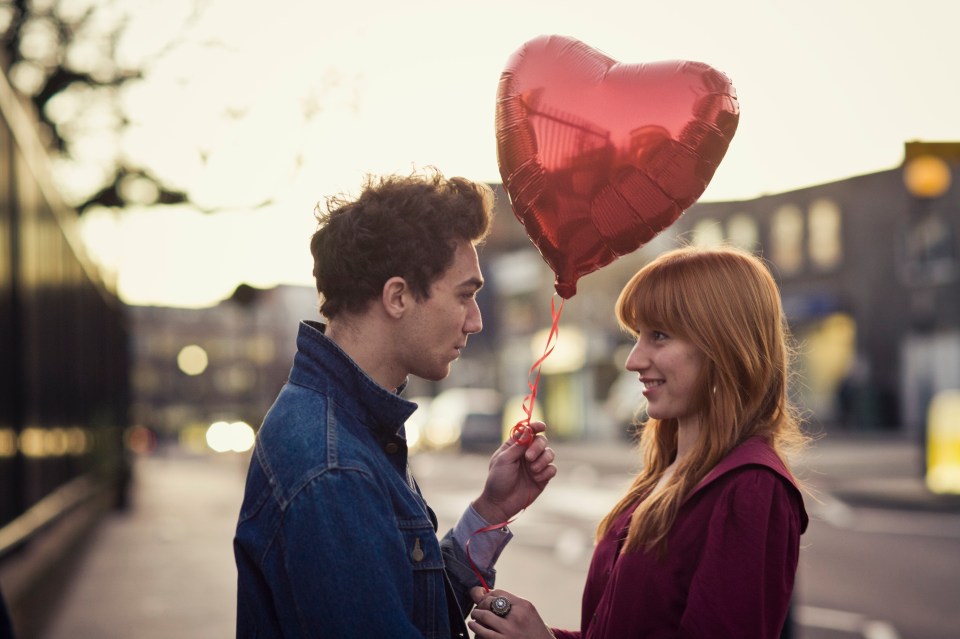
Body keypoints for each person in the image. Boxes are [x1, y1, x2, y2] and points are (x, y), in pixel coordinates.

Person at [233, 169, 557, 638]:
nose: (476, 321)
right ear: (398, 297)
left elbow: (410, 601)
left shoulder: (347, 427)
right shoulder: (334, 468)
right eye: (465, 295)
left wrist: (490, 511)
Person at [469, 245, 809, 639]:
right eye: (638, 335)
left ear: (723, 345)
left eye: (659, 336)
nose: (633, 360)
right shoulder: (665, 475)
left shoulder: (750, 487)